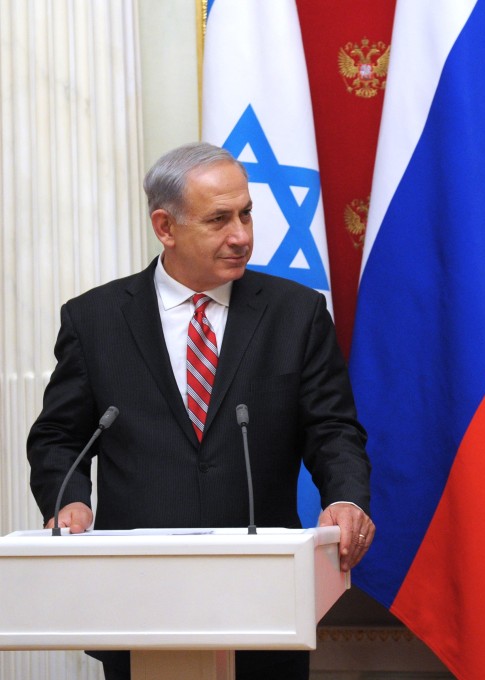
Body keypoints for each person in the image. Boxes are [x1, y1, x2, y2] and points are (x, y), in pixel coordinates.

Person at [27, 142, 374, 680]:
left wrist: (346, 496)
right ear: (165, 227)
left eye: (246, 213)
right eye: (219, 220)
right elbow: (57, 436)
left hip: (265, 597)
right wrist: (67, 501)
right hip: (137, 599)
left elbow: (331, 429)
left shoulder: (296, 313)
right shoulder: (95, 319)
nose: (242, 236)